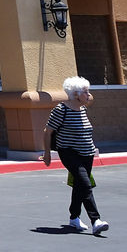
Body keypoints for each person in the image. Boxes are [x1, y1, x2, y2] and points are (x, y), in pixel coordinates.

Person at [43, 76, 109, 235]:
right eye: (85, 92)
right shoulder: (61, 109)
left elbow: (90, 99)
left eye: (88, 92)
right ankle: (96, 220)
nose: (89, 95)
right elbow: (48, 132)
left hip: (87, 153)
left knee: (79, 185)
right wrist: (47, 154)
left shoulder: (83, 108)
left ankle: (74, 217)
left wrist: (85, 92)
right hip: (69, 152)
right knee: (85, 184)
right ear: (75, 94)